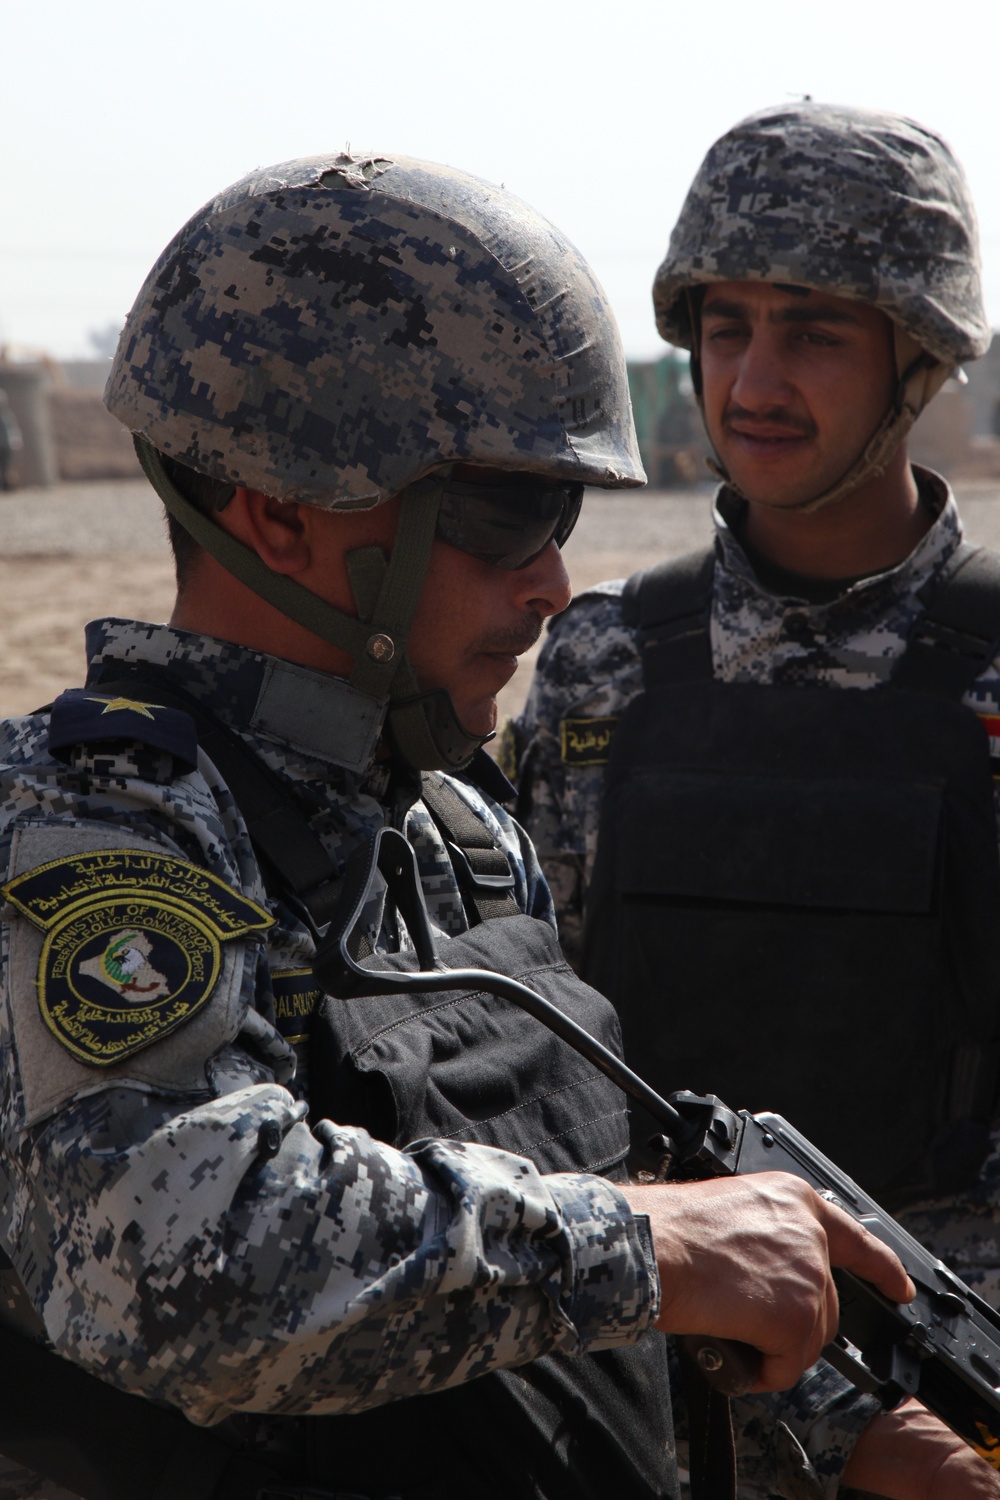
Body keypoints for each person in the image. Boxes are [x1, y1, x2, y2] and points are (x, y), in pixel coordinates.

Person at [0, 149, 991, 1500]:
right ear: (279, 509)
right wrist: (670, 1248)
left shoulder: (453, 829)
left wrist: (831, 1408)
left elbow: (553, 1221)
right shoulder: (95, 829)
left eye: (564, 510)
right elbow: (177, 1257)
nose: (553, 579)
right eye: (505, 512)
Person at [512, 102, 1000, 1298]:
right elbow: (535, 1025)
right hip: (663, 1327)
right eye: (725, 329)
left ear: (919, 358)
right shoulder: (603, 657)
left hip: (947, 1341)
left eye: (816, 334)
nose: (755, 381)